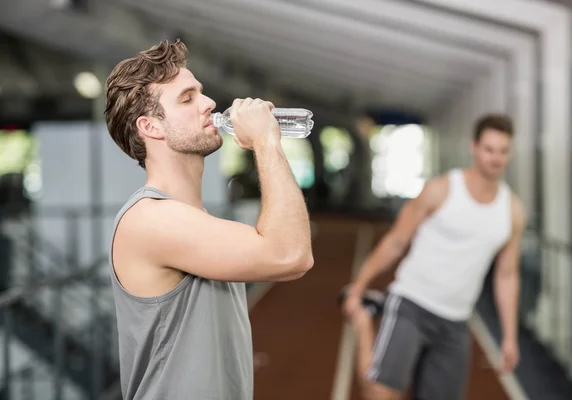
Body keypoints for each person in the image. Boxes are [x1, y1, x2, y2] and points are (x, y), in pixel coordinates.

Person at [104, 39, 314, 399]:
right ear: (151, 127)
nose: (209, 103)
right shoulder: (151, 219)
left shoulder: (193, 218)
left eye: (200, 92)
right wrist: (266, 141)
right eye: (187, 98)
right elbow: (291, 254)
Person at [341, 114, 526, 400]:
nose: (496, 158)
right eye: (489, 149)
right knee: (380, 394)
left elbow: (507, 274)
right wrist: (359, 285)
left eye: (503, 151)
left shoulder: (512, 211)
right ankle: (366, 322)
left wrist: (510, 337)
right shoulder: (441, 189)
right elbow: (396, 241)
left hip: (455, 320)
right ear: (474, 147)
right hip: (411, 303)